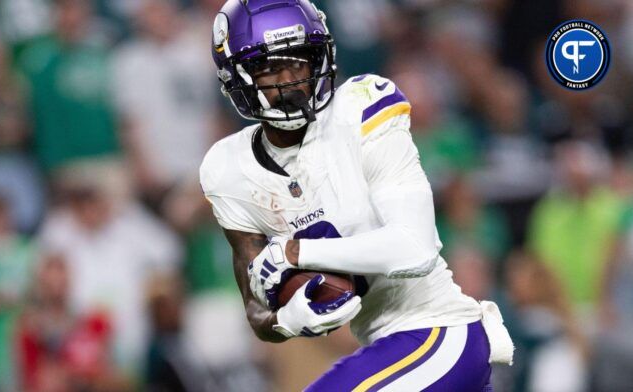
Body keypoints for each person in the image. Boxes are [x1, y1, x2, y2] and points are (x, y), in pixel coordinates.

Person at [199, 1, 513, 390]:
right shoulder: (227, 169)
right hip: (385, 345)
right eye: (269, 68)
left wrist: (296, 253)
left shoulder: (362, 106)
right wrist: (285, 320)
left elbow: (414, 248)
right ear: (238, 77)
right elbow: (255, 306)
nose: (290, 80)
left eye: (299, 62)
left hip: (438, 332)